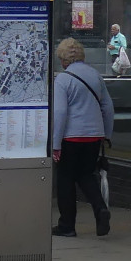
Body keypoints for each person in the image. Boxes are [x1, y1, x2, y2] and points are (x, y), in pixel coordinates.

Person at [51, 37, 114, 237]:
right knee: (86, 175)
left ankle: (67, 226)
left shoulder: (63, 79)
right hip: (94, 136)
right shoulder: (95, 75)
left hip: (71, 137)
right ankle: (100, 208)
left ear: (63, 59)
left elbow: (60, 112)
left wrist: (55, 144)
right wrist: (106, 134)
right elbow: (108, 107)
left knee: (65, 179)